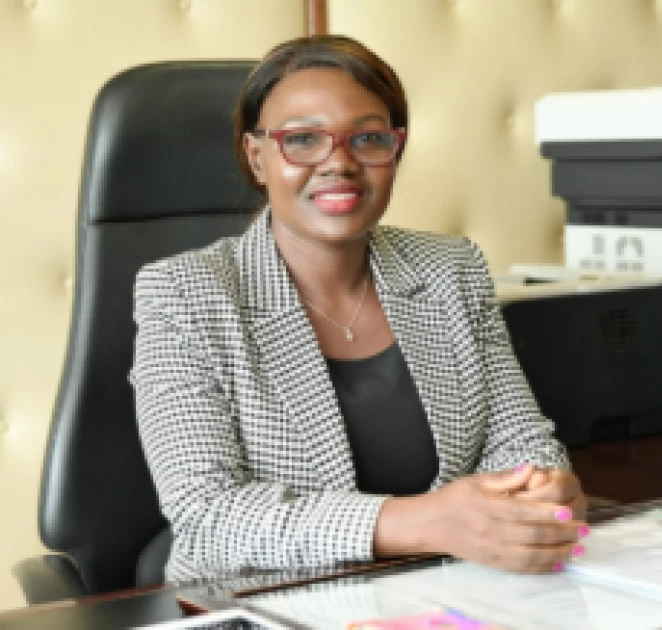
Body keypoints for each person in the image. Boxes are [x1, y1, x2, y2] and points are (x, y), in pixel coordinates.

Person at [130, 34, 587, 585]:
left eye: (368, 138)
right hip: (261, 603)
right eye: (303, 140)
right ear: (257, 157)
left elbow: (521, 442)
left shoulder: (451, 269)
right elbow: (207, 518)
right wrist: (428, 522)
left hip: (447, 595)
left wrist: (540, 490)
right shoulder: (184, 294)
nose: (340, 164)